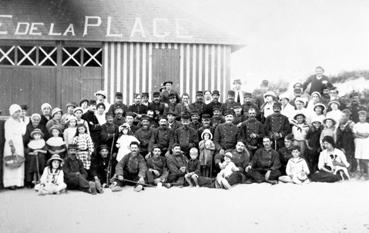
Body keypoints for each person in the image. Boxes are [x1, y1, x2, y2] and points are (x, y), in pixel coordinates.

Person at [3, 104, 27, 189]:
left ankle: (18, 182)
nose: (17, 114)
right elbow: (8, 134)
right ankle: (10, 183)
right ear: (11, 113)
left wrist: (23, 122)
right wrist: (11, 145)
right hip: (11, 143)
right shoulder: (8, 122)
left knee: (18, 160)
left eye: (19, 112)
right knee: (11, 160)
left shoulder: (21, 121)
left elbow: (23, 132)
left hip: (19, 142)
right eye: (15, 112)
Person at [353, 110, 369, 180]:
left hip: (366, 143)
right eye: (360, 116)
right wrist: (360, 135)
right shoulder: (356, 125)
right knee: (359, 158)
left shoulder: (367, 125)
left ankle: (367, 173)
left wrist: (359, 133)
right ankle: (361, 173)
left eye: (363, 116)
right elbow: (354, 134)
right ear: (358, 117)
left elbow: (367, 134)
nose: (362, 118)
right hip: (359, 143)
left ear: (366, 117)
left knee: (365, 158)